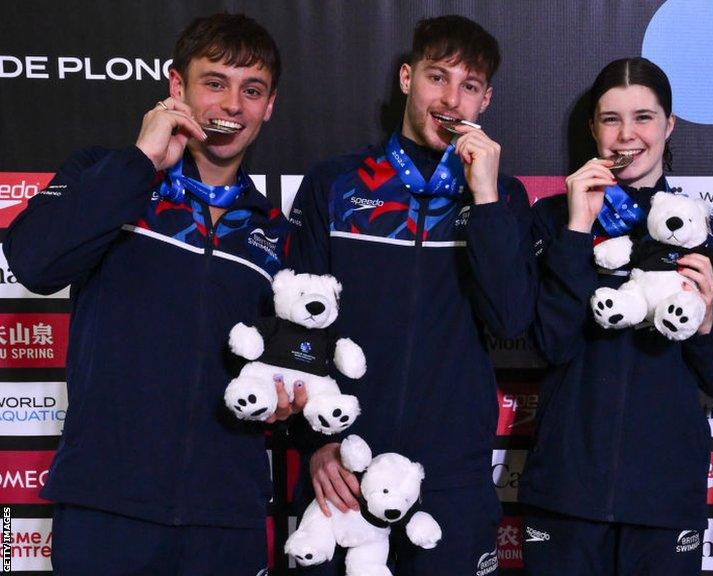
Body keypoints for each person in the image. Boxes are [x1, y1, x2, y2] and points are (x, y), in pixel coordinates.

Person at [3, 12, 298, 575]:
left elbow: (294, 368)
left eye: (251, 90)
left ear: (269, 105)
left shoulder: (278, 235)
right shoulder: (105, 175)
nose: (232, 105)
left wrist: (289, 395)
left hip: (225, 517)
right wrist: (140, 164)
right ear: (176, 87)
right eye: (215, 82)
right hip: (106, 507)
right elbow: (33, 263)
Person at [286, 14, 534, 575]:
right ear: (405, 78)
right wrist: (316, 443)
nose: (450, 100)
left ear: (485, 100)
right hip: (343, 466)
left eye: (468, 86)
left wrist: (487, 198)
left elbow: (512, 318)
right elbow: (296, 332)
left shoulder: (504, 198)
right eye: (436, 77)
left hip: (451, 477)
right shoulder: (335, 183)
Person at [517, 57, 713, 576]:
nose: (625, 136)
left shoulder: (706, 234)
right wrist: (576, 228)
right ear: (593, 127)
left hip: (664, 496)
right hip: (566, 487)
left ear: (669, 125)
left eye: (643, 117)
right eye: (610, 119)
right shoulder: (551, 217)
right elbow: (549, 343)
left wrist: (704, 325)